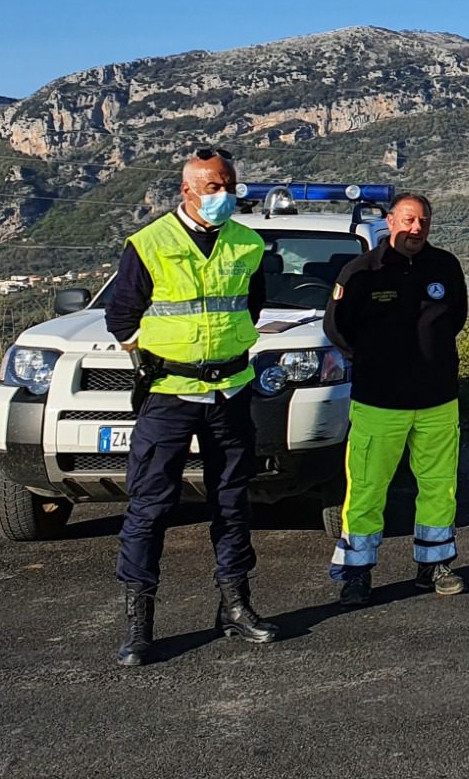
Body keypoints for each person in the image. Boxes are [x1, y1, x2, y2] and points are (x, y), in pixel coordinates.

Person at [104, 147, 277, 666]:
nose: (222, 195)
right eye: (211, 187)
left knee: (231, 501)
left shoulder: (247, 243)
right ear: (187, 190)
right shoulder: (150, 242)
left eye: (228, 185)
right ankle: (139, 624)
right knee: (150, 507)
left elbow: (251, 304)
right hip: (170, 396)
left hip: (230, 393)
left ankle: (235, 606)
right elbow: (122, 316)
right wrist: (165, 352)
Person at [324, 193, 469, 606]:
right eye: (407, 220)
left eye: (423, 221)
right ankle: (356, 573)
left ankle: (434, 564)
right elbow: (337, 328)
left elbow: (455, 319)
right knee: (367, 489)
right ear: (390, 222)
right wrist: (373, 360)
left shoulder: (445, 266)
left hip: (437, 399)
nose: (415, 229)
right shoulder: (361, 271)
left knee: (439, 486)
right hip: (378, 402)